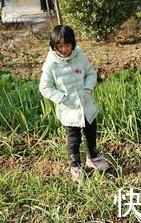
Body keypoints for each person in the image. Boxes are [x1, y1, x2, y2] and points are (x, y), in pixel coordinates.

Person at [39, 24, 110, 182]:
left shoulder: (79, 56)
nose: (64, 49)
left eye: (67, 45)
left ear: (73, 44)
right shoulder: (51, 64)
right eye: (59, 46)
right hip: (69, 110)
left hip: (86, 105)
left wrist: (88, 89)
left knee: (91, 133)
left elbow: (91, 73)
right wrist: (63, 98)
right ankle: (75, 165)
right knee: (74, 139)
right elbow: (45, 87)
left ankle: (93, 158)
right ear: (53, 45)